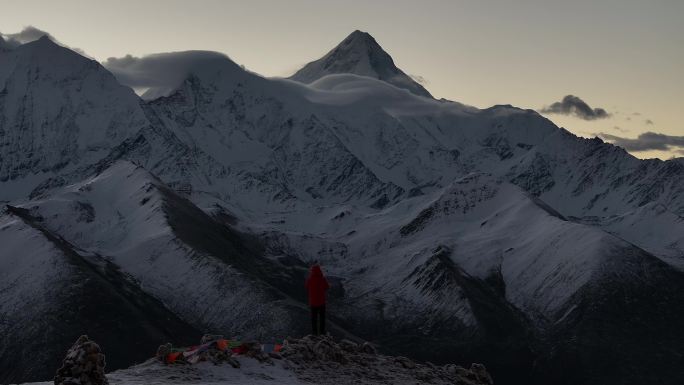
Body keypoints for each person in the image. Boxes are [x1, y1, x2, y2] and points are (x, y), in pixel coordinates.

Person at [305, 263, 330, 336]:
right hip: (322, 302)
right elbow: (327, 287)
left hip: (313, 302)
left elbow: (306, 286)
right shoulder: (322, 279)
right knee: (322, 318)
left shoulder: (310, 280)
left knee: (314, 318)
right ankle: (322, 332)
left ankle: (314, 333)